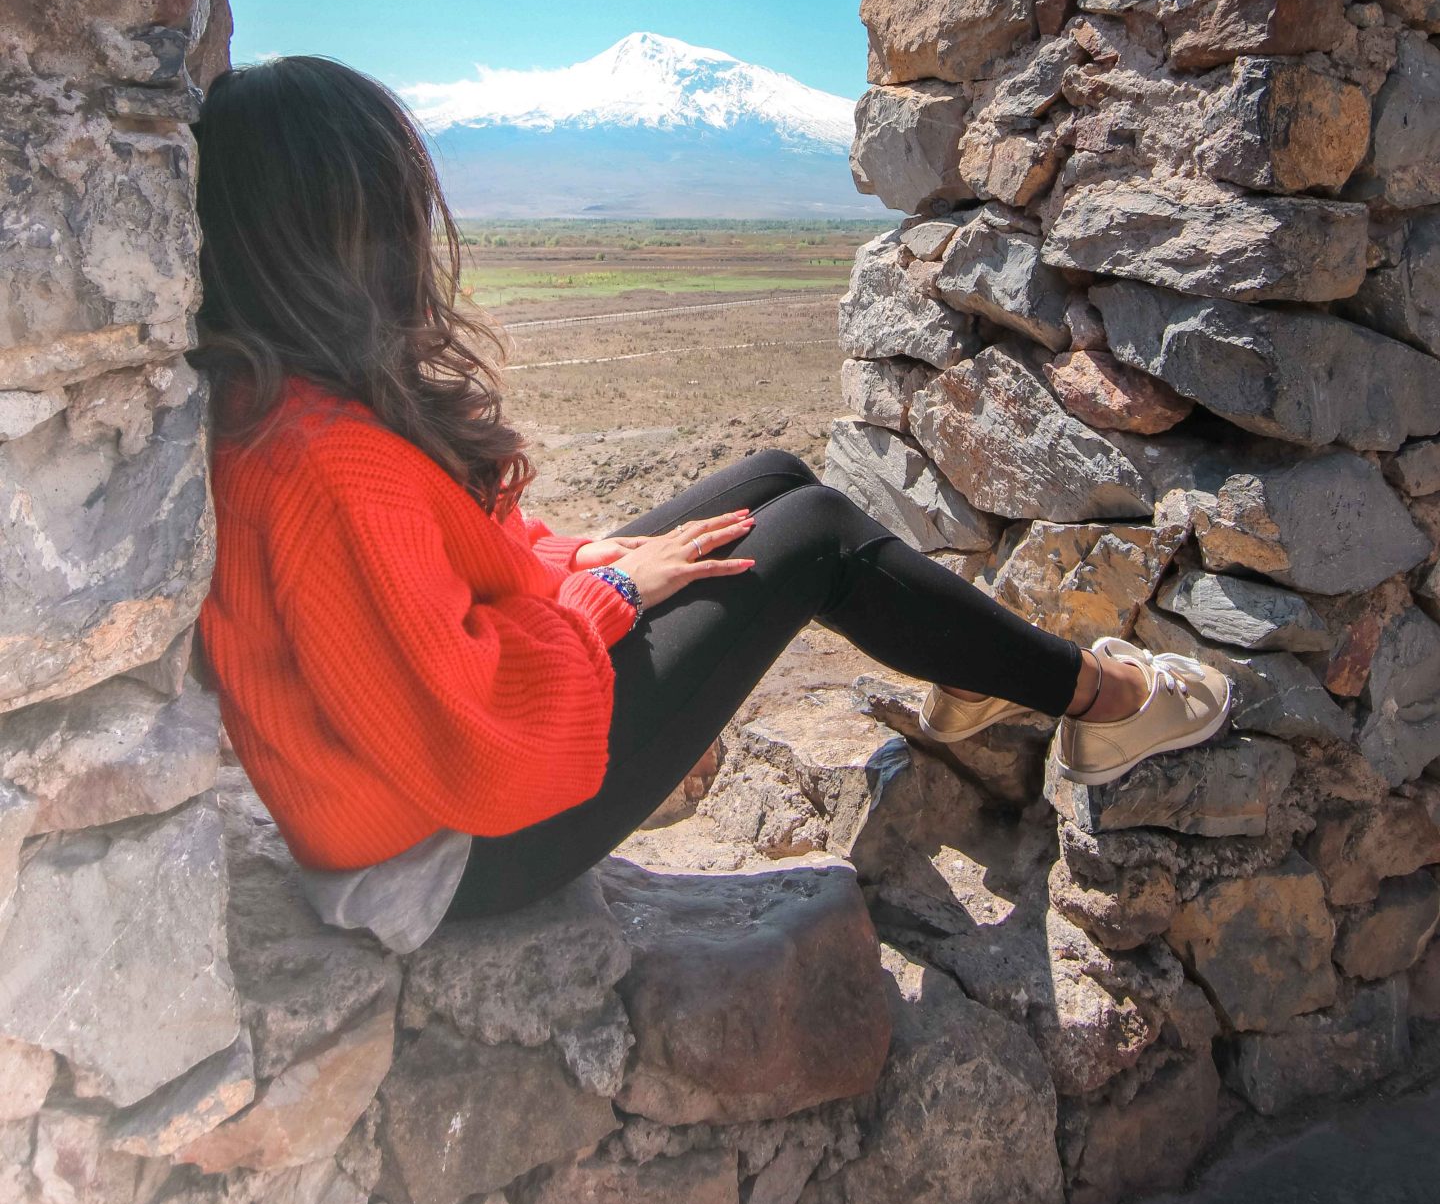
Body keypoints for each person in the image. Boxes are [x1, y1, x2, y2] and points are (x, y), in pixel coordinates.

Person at [193, 55, 1231, 945]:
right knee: (815, 534)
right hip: (455, 854)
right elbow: (464, 743)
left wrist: (579, 562)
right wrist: (604, 594)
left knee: (772, 480)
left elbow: (444, 581)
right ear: (346, 232)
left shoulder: (287, 404)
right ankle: (1108, 704)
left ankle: (983, 668)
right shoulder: (324, 463)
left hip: (438, 787)